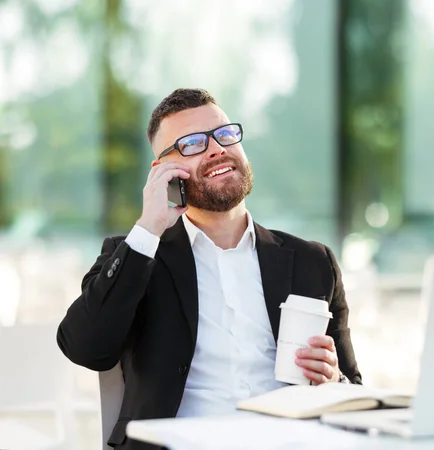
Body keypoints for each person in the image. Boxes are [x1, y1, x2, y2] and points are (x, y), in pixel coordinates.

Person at [57, 88, 361, 449]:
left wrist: (332, 382)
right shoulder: (138, 255)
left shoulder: (314, 262)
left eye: (224, 134)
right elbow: (85, 348)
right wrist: (150, 226)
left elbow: (354, 393)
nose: (217, 148)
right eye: (193, 144)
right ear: (163, 173)